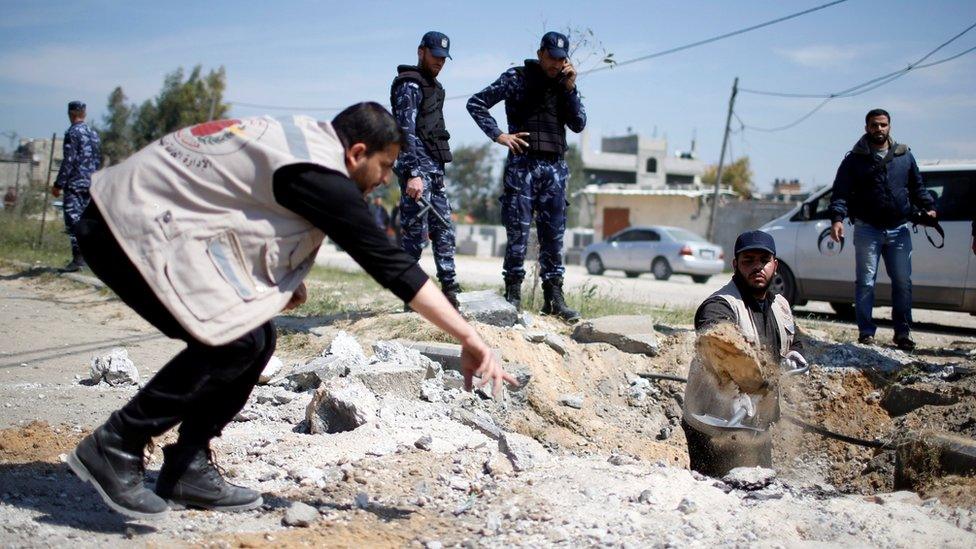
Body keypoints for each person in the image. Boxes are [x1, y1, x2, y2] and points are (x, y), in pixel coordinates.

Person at [66, 103, 517, 519]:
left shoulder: (307, 145)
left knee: (257, 339)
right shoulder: (322, 173)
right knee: (232, 342)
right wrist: (469, 336)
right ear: (358, 152)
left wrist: (275, 282)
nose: (385, 179)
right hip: (120, 228)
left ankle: (187, 467)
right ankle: (116, 443)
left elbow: (237, 202)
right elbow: (391, 264)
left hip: (138, 221)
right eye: (384, 166)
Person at [466, 31, 586, 322]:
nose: (556, 64)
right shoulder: (517, 77)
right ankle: (513, 295)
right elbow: (476, 103)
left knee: (553, 236)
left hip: (555, 168)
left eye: (561, 60)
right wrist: (499, 135)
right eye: (552, 58)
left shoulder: (565, 85)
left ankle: (554, 299)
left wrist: (570, 89)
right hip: (523, 165)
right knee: (517, 233)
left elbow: (579, 123)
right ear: (541, 53)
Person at [682, 230, 805, 476]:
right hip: (716, 426)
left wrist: (794, 355)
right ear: (735, 264)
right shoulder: (720, 305)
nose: (757, 267)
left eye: (764, 261)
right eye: (748, 260)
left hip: (757, 425)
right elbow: (715, 337)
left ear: (775, 265)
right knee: (719, 494)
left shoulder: (780, 305)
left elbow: (794, 342)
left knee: (757, 491)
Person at [828, 108, 936, 351]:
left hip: (899, 230)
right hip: (868, 229)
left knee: (903, 282)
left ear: (889, 127)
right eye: (874, 125)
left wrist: (928, 207)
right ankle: (866, 333)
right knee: (866, 282)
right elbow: (840, 193)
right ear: (867, 128)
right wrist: (837, 219)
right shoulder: (854, 160)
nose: (879, 129)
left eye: (883, 125)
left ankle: (903, 333)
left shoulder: (904, 156)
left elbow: (917, 186)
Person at [391, 31, 461, 307]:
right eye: (435, 56)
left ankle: (450, 290)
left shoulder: (435, 88)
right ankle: (409, 295)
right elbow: (404, 131)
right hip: (417, 171)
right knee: (413, 235)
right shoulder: (409, 85)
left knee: (443, 227)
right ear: (421, 51)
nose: (440, 62)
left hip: (434, 170)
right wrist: (413, 173)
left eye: (444, 58)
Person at [52, 100, 101, 272]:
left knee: (73, 222)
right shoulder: (94, 134)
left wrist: (58, 184)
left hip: (74, 184)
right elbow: (97, 160)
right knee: (86, 222)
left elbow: (69, 161)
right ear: (84, 114)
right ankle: (88, 260)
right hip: (91, 184)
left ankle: (78, 261)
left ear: (71, 114)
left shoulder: (72, 133)